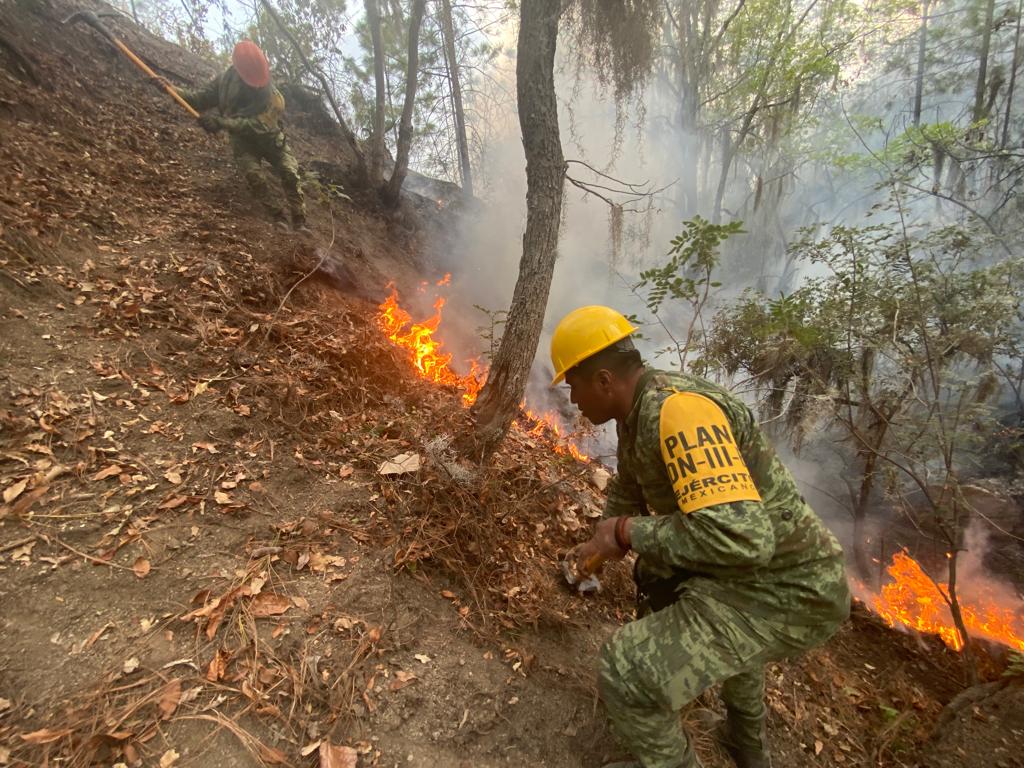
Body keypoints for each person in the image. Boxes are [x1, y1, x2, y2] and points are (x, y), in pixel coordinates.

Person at [551, 306, 851, 768]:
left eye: (573, 384)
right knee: (671, 586)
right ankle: (745, 747)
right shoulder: (638, 413)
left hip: (789, 589)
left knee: (625, 667)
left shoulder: (680, 413)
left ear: (605, 380)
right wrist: (597, 545)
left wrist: (628, 533)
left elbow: (742, 541)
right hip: (758, 576)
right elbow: (628, 491)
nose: (572, 399)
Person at [178, 41, 306, 231]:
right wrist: (173, 91)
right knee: (255, 177)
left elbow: (256, 125)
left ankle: (300, 221)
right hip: (243, 143)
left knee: (289, 173)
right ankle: (278, 218)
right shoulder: (224, 82)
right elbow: (199, 99)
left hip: (271, 140)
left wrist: (221, 123)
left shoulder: (273, 96)